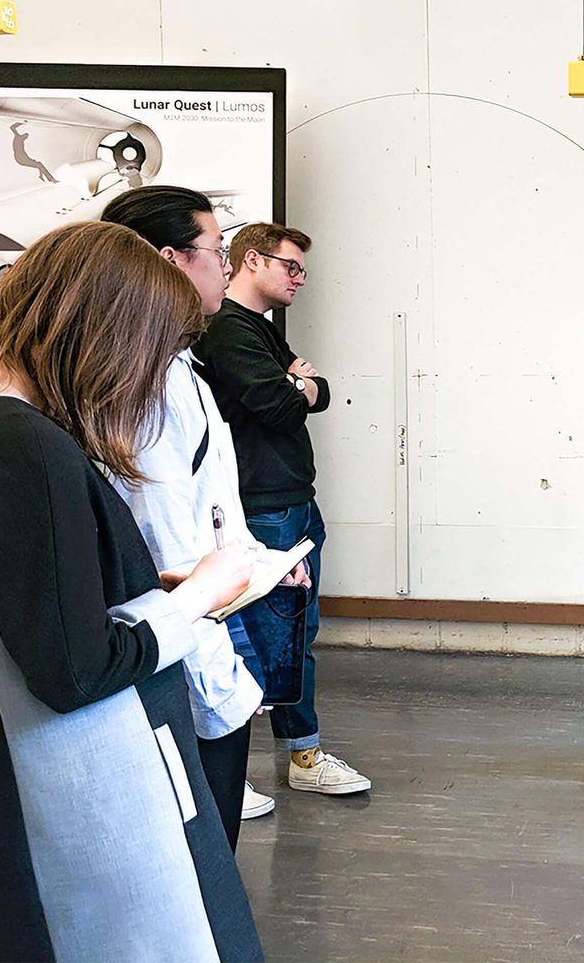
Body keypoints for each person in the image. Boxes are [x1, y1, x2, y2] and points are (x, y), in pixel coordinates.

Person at [0, 221, 263, 962]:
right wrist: (197, 596)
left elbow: (17, 602)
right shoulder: (24, 446)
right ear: (111, 333)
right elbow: (74, 668)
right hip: (83, 803)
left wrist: (137, 586)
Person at [102, 185, 309, 835]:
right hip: (175, 661)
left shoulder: (175, 368)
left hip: (190, 647)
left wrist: (262, 563)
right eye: (216, 250)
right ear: (169, 260)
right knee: (200, 849)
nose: (226, 265)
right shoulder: (147, 387)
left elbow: (207, 512)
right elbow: (169, 548)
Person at [195, 222, 371, 796]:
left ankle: (301, 756)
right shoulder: (227, 331)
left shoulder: (260, 331)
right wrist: (299, 385)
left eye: (301, 269)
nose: (298, 278)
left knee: (293, 641)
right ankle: (234, 773)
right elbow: (281, 403)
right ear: (252, 261)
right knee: (256, 643)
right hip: (263, 509)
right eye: (290, 266)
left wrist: (302, 385)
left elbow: (318, 390)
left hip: (293, 503)